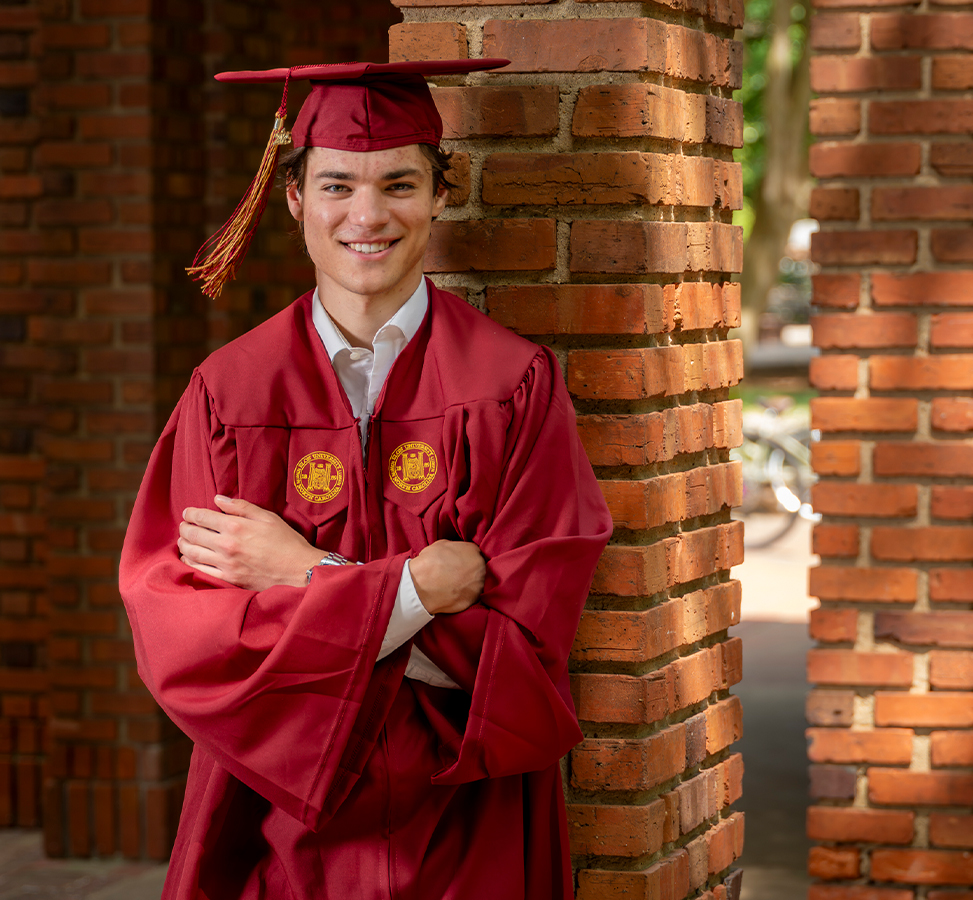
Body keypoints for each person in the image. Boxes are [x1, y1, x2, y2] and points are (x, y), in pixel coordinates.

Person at [119, 60, 613, 900]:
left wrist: (301, 579)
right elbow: (192, 644)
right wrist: (416, 592)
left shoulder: (511, 386)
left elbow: (523, 657)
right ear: (293, 200)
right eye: (338, 184)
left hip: (467, 813)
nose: (368, 214)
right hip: (278, 821)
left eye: (400, 183)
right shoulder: (227, 396)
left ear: (438, 196)